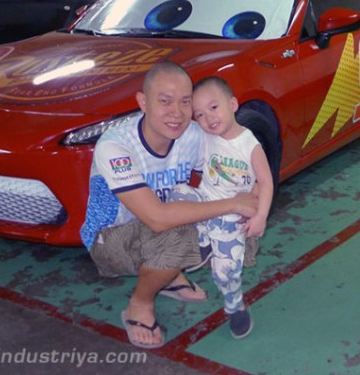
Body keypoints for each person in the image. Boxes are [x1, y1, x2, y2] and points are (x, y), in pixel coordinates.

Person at [79, 61, 258, 350]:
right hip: (109, 239)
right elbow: (157, 218)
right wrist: (232, 203)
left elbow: (241, 163)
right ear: (143, 102)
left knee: (236, 224)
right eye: (165, 101)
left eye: (185, 102)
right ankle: (140, 303)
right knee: (183, 234)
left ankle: (168, 276)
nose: (176, 112)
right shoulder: (116, 146)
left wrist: (255, 196)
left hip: (159, 229)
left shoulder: (192, 135)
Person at [191, 76, 274, 339]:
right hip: (205, 205)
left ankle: (235, 307)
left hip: (232, 218)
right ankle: (203, 242)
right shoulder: (204, 137)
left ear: (233, 104)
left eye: (214, 107)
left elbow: (266, 182)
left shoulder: (249, 144)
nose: (208, 118)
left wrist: (261, 216)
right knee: (178, 193)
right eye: (200, 115)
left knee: (225, 272)